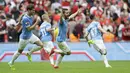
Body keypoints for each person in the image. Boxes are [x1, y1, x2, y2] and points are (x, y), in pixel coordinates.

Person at [8, 4, 43, 70]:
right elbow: (29, 29)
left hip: (30, 35)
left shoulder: (29, 14)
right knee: (19, 52)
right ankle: (11, 62)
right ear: (29, 10)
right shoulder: (25, 19)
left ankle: (29, 53)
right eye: (32, 10)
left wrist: (18, 22)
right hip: (24, 38)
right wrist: (37, 22)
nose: (34, 11)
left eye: (34, 10)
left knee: (41, 45)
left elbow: (22, 14)